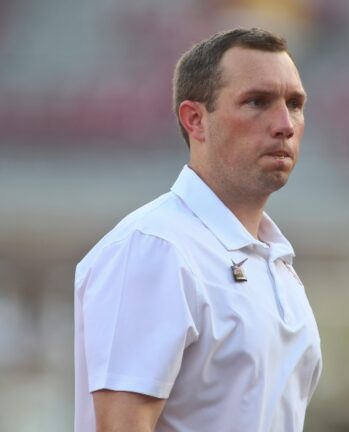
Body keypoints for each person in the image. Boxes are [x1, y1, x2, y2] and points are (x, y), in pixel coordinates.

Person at [74, 28, 322, 432]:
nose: (284, 124)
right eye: (257, 102)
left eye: (295, 104)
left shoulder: (276, 263)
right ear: (195, 120)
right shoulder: (155, 248)